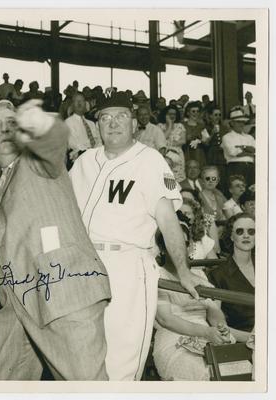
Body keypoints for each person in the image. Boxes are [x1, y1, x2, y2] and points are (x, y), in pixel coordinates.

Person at [0, 100, 111, 380]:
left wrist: (38, 123)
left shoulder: (38, 162)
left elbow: (55, 141)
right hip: (16, 305)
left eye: (12, 124)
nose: (5, 130)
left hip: (63, 294)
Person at [69, 91, 204, 381]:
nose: (113, 123)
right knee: (82, 356)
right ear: (97, 125)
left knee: (121, 361)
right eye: (105, 118)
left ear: (133, 123)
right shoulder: (83, 162)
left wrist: (182, 271)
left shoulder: (149, 160)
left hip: (127, 264)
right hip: (83, 265)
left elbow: (168, 221)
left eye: (121, 117)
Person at [153, 218, 231, 381]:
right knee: (202, 372)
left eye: (184, 243)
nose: (178, 249)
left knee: (237, 368)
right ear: (161, 247)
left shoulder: (199, 275)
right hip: (173, 339)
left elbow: (213, 311)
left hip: (208, 336)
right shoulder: (157, 274)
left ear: (189, 247)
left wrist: (220, 327)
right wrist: (206, 332)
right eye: (171, 243)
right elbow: (165, 319)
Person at [208, 213, 255, 341]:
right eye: (240, 231)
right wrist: (253, 338)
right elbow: (217, 322)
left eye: (251, 231)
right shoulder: (217, 275)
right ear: (231, 236)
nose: (246, 235)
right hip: (245, 340)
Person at [221, 107, 255, 187]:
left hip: (250, 167)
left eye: (243, 122)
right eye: (238, 122)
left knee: (251, 191)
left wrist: (242, 147)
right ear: (232, 123)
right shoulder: (227, 137)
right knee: (237, 192)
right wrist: (248, 151)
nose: (241, 124)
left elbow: (254, 151)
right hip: (235, 167)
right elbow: (233, 152)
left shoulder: (249, 137)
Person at [65, 92, 102, 163]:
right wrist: (91, 146)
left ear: (85, 104)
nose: (79, 103)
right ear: (72, 105)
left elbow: (99, 141)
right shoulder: (68, 123)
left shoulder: (91, 123)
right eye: (76, 101)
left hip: (94, 158)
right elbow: (75, 145)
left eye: (82, 101)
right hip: (78, 160)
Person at [202, 106, 229, 194]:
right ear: (210, 116)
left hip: (222, 155)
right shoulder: (206, 128)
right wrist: (212, 133)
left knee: (223, 178)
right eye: (215, 115)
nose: (218, 117)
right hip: (212, 155)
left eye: (219, 115)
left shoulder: (224, 128)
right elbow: (205, 143)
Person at [158, 105, 187, 182]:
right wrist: (170, 125)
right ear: (165, 115)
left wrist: (169, 143)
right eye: (170, 114)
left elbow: (183, 141)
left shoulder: (180, 126)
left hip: (178, 153)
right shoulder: (160, 126)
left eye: (174, 114)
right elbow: (162, 139)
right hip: (165, 153)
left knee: (178, 177)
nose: (172, 116)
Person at [182, 101, 207, 167]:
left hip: (199, 153)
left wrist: (200, 140)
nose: (196, 113)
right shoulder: (183, 125)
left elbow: (206, 141)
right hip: (187, 152)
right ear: (188, 113)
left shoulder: (202, 126)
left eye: (197, 111)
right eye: (193, 111)